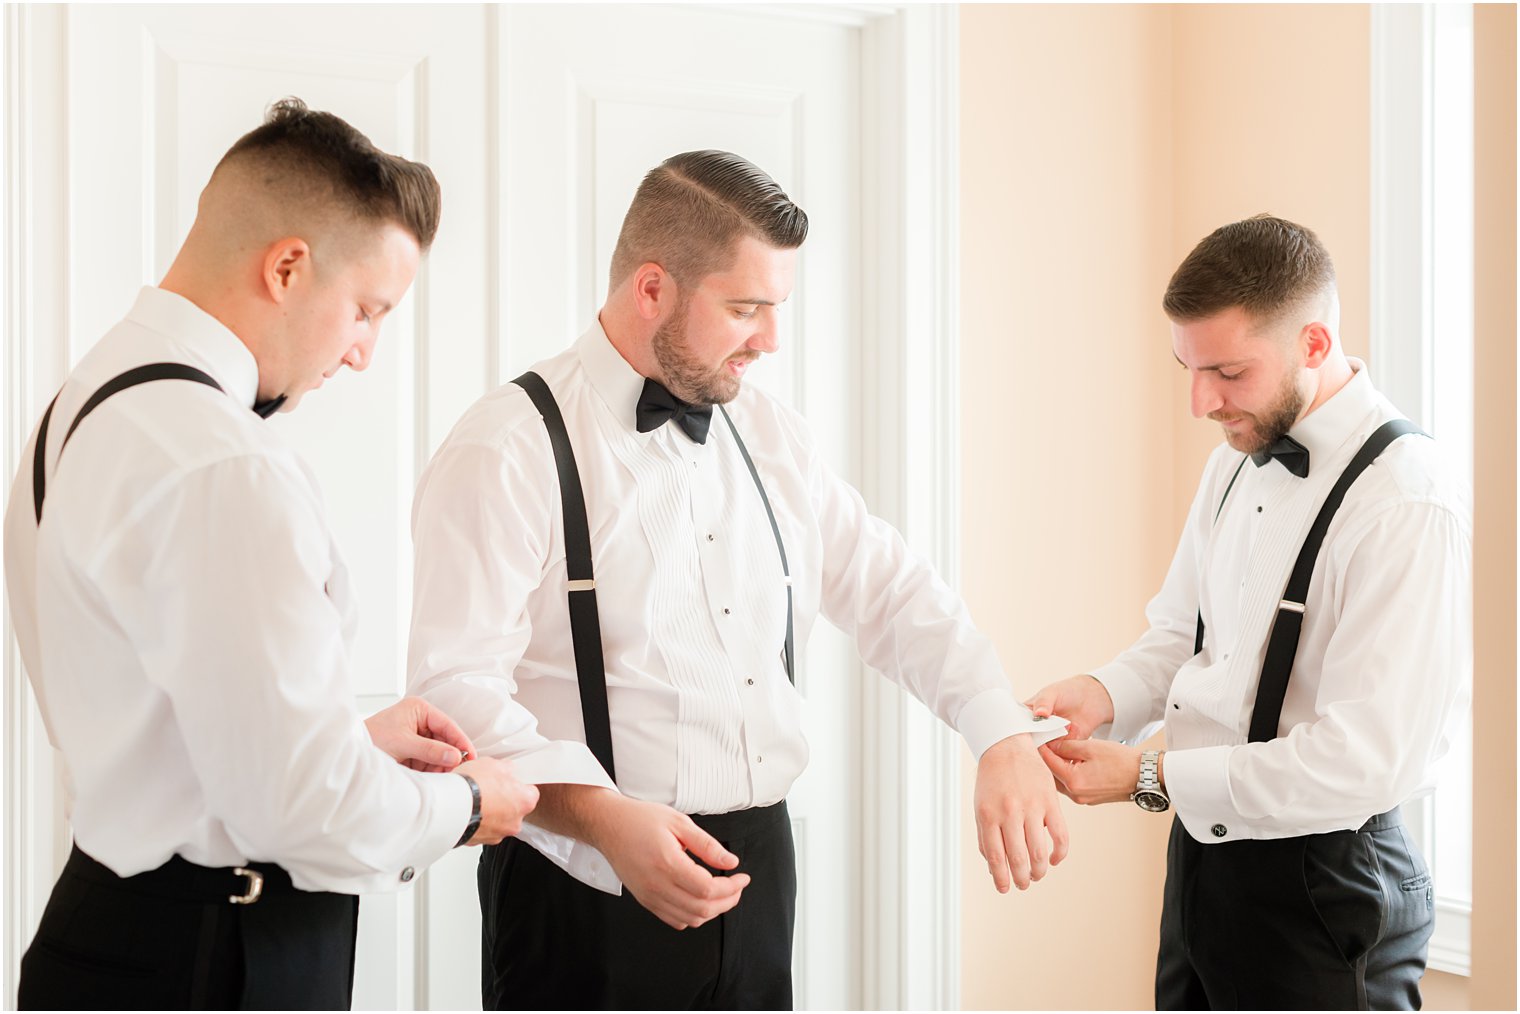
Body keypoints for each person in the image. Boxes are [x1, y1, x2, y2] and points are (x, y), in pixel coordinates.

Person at [406, 149, 1071, 1010]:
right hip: (581, 891)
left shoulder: (767, 430)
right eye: (745, 308)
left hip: (760, 872)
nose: (771, 339)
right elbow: (453, 691)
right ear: (653, 288)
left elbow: (890, 589)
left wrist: (1002, 733)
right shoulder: (508, 446)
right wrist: (607, 821)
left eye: (778, 307)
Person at [3, 98, 539, 1011]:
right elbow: (305, 811)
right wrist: (472, 805)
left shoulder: (86, 401)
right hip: (217, 959)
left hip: (113, 938)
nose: (364, 352)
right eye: (367, 309)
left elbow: (158, 718)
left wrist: (343, 742)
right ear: (288, 267)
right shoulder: (222, 463)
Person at [1028, 215, 1471, 1010]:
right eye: (1189, 368)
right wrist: (1103, 696)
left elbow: (1365, 759)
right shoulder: (1232, 461)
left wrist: (1151, 775)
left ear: (1312, 343)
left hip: (1331, 888)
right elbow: (1180, 637)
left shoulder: (1405, 502)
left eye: (1228, 372)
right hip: (1204, 868)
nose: (1202, 401)